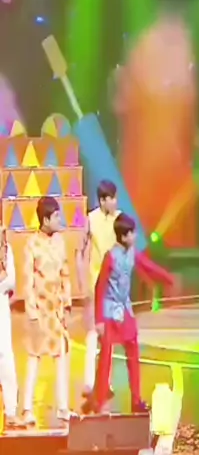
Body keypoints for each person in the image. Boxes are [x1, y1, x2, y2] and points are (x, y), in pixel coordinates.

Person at [87, 213, 177, 414]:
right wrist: (99, 319)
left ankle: (136, 400)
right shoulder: (110, 257)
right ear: (123, 236)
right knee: (106, 357)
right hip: (109, 312)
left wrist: (167, 278)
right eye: (132, 234)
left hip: (125, 309)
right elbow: (100, 288)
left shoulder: (131, 253)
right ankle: (99, 401)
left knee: (133, 353)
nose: (135, 236)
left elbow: (148, 267)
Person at [23, 197, 73, 425]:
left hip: (56, 311)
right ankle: (27, 408)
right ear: (45, 219)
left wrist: (67, 302)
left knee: (61, 356)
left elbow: (65, 273)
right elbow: (27, 281)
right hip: (39, 310)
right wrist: (31, 311)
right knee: (34, 357)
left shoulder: (60, 242)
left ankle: (62, 407)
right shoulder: (31, 244)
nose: (59, 220)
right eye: (56, 216)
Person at [76, 179, 119, 399]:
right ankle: (89, 382)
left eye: (115, 198)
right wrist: (82, 282)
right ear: (102, 200)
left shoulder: (119, 219)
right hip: (95, 285)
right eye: (111, 198)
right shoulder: (90, 219)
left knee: (109, 336)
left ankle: (105, 383)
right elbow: (79, 251)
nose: (114, 202)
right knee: (93, 333)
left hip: (114, 287)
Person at [0, 227, 25, 429]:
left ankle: (10, 411)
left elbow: (10, 282)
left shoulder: (6, 248)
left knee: (5, 358)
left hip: (1, 308)